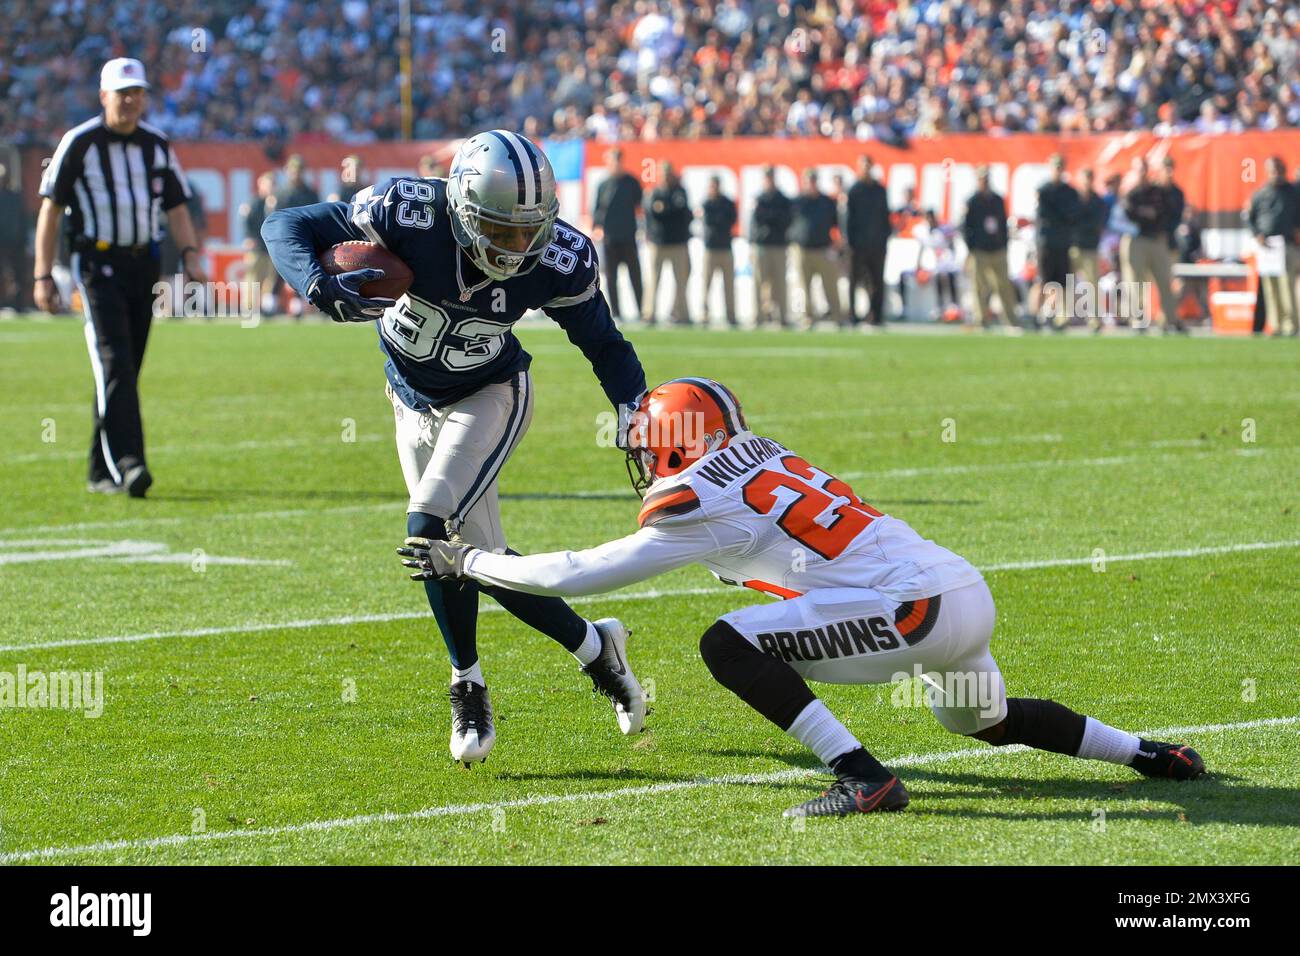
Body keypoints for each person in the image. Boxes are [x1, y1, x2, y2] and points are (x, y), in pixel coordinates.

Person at [400, 378, 1207, 818]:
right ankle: (1148, 755)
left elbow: (575, 572)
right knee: (983, 721)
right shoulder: (760, 457)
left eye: (650, 450)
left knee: (727, 643)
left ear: (677, 446)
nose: (645, 465)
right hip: (960, 592)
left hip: (909, 612)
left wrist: (468, 558)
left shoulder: (697, 500)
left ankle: (863, 776)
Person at [262, 129, 649, 766]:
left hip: (490, 394)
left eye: (531, 229)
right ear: (464, 208)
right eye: (503, 229)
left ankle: (465, 684)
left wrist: (633, 410)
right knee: (479, 557)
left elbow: (605, 343)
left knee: (428, 529)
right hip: (409, 398)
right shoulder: (407, 211)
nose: (519, 245)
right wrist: (318, 284)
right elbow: (287, 224)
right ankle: (594, 646)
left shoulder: (557, 257)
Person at [33, 58, 206, 496]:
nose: (130, 101)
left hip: (142, 266)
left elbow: (177, 207)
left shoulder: (156, 145)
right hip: (96, 265)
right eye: (122, 92)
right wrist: (42, 274)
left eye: (137, 93)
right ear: (103, 96)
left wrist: (190, 255)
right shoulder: (80, 143)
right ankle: (130, 463)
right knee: (114, 361)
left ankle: (99, 470)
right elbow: (50, 211)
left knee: (124, 369)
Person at [1120, 158, 1180, 331]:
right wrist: (1144, 214)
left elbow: (1166, 214)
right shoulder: (1131, 192)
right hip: (1136, 240)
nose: (1142, 174)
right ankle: (1137, 318)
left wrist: (1145, 214)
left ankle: (1171, 320)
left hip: (1156, 239)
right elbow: (1124, 216)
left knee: (1164, 279)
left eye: (1144, 170)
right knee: (1135, 281)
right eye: (1139, 170)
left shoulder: (1157, 192)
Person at [961, 166, 1020, 330]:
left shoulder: (997, 199)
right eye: (982, 179)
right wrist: (971, 247)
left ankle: (1011, 320)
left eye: (986, 179)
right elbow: (966, 227)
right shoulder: (972, 201)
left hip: (997, 249)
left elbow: (1002, 224)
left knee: (1004, 286)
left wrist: (1004, 244)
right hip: (980, 250)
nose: (984, 182)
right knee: (980, 287)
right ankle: (981, 320)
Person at [1246, 157, 1299, 336]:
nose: (1275, 175)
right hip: (1267, 245)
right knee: (1270, 287)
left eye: (1278, 170)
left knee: (1287, 285)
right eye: (1272, 171)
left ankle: (1290, 324)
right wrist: (1257, 234)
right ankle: (1275, 324)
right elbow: (1249, 217)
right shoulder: (1260, 193)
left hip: (1287, 243)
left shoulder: (1293, 192)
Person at [591, 148, 644, 323]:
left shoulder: (631, 182)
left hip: (628, 236)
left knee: (635, 276)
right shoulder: (603, 184)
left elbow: (641, 206)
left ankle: (642, 310)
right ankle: (617, 312)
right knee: (611, 278)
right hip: (610, 238)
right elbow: (598, 210)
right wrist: (597, 227)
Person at [791, 168, 845, 327]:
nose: (811, 184)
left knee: (830, 285)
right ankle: (807, 317)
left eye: (813, 180)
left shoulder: (826, 202)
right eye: (808, 180)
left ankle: (837, 316)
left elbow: (837, 224)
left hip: (823, 249)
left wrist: (836, 244)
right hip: (802, 249)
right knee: (803, 286)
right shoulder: (798, 202)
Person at [642, 160, 693, 325]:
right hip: (658, 242)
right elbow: (652, 213)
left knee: (681, 281)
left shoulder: (680, 191)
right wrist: (666, 210)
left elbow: (681, 213)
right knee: (654, 280)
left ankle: (681, 314)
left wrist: (664, 209)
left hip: (677, 242)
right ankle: (649, 313)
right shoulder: (655, 192)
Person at [844, 155, 891, 326]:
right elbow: (848, 220)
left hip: (877, 245)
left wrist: (885, 238)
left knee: (877, 281)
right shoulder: (854, 190)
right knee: (854, 281)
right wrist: (849, 243)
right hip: (858, 245)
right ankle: (852, 315)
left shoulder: (880, 190)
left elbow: (885, 216)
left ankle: (876, 316)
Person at [1036, 154, 1081, 330]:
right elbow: (1045, 215)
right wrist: (1062, 215)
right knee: (1044, 282)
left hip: (1063, 242)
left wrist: (1061, 215)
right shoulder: (1044, 190)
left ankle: (1060, 317)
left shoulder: (1069, 192)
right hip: (1046, 242)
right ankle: (1038, 314)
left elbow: (1073, 215)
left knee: (1063, 283)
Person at [749, 165, 792, 328]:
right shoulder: (759, 198)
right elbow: (756, 222)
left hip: (778, 245)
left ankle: (781, 316)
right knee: (759, 282)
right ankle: (758, 316)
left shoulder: (782, 199)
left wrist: (770, 218)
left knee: (780, 283)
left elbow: (785, 220)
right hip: (762, 246)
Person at [699, 175, 738, 327]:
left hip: (725, 247)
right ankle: (705, 313)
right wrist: (720, 219)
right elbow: (709, 220)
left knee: (728, 284)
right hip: (710, 248)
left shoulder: (727, 202)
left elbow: (730, 220)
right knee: (706, 285)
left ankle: (731, 314)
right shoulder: (707, 203)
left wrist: (719, 220)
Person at [1072, 168, 1108, 332]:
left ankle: (1094, 319)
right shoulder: (1073, 199)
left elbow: (1097, 223)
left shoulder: (1098, 201)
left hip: (1090, 247)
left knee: (1092, 284)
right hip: (1073, 245)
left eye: (1089, 178)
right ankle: (1061, 316)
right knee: (1065, 282)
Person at [240, 171, 280, 315]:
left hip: (271, 247)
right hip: (257, 247)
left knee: (270, 279)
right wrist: (248, 237)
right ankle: (249, 307)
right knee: (253, 277)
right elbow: (246, 222)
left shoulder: (275, 203)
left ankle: (266, 307)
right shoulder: (254, 202)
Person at [0, 162, 27, 311]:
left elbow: (22, 218)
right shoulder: (15, 197)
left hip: (15, 242)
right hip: (4, 241)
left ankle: (18, 305)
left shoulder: (15, 197)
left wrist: (23, 237)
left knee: (18, 274)